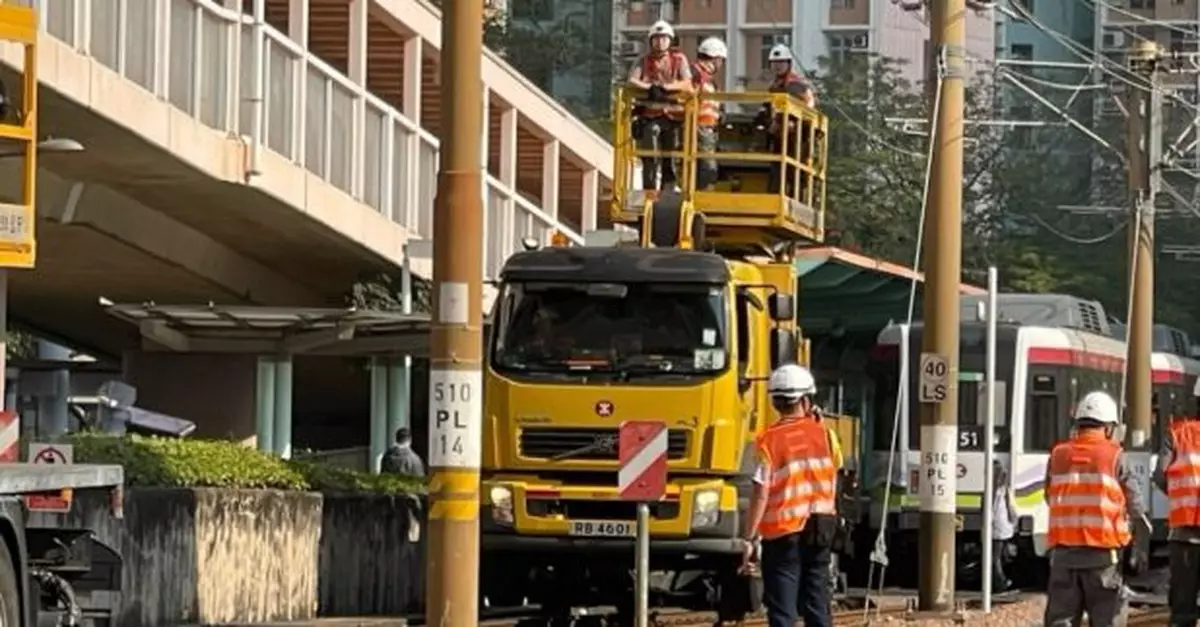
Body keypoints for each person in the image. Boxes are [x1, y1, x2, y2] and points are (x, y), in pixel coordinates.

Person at [740, 363, 842, 627]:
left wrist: (750, 538)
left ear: (775, 402)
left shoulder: (768, 440)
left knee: (782, 609)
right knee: (817, 601)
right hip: (821, 529)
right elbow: (836, 469)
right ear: (807, 400)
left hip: (783, 534)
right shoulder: (827, 435)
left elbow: (761, 491)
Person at [1042, 390, 1148, 627]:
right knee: (1107, 620)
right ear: (1109, 427)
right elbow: (1136, 507)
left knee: (1060, 621)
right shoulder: (1115, 456)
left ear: (1078, 424)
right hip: (1103, 559)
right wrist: (1140, 548)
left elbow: (1048, 495)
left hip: (1062, 557)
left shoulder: (1058, 455)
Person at [1153, 377, 1200, 627]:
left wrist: (1181, 497)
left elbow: (1159, 475)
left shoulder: (1177, 434)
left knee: (1183, 611)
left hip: (1183, 537)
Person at [627, 20, 692, 192]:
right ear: (651, 41)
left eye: (664, 38)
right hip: (650, 116)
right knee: (650, 154)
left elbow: (687, 83)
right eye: (656, 38)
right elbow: (632, 80)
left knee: (670, 157)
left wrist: (667, 88)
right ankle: (649, 190)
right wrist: (650, 88)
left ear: (670, 40)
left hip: (674, 117)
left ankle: (668, 191)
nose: (660, 42)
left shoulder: (679, 60)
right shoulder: (644, 61)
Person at [757, 44, 816, 200]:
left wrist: (778, 123)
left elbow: (795, 109)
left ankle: (792, 198)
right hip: (782, 138)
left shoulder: (795, 85)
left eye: (781, 62)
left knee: (792, 173)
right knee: (779, 171)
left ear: (789, 63)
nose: (777, 66)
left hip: (796, 138)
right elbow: (768, 108)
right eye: (774, 63)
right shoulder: (776, 86)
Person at [690, 37, 727, 190]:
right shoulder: (695, 74)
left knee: (704, 167)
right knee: (707, 168)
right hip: (699, 127)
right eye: (721, 61)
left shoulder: (707, 79)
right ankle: (702, 201)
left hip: (707, 128)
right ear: (716, 59)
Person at [989, 460, 1018, 592]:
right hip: (1001, 526)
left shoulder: (992, 490)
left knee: (994, 558)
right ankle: (1000, 582)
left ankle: (1001, 583)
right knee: (996, 557)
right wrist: (1014, 521)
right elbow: (1011, 508)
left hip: (996, 527)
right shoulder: (1004, 490)